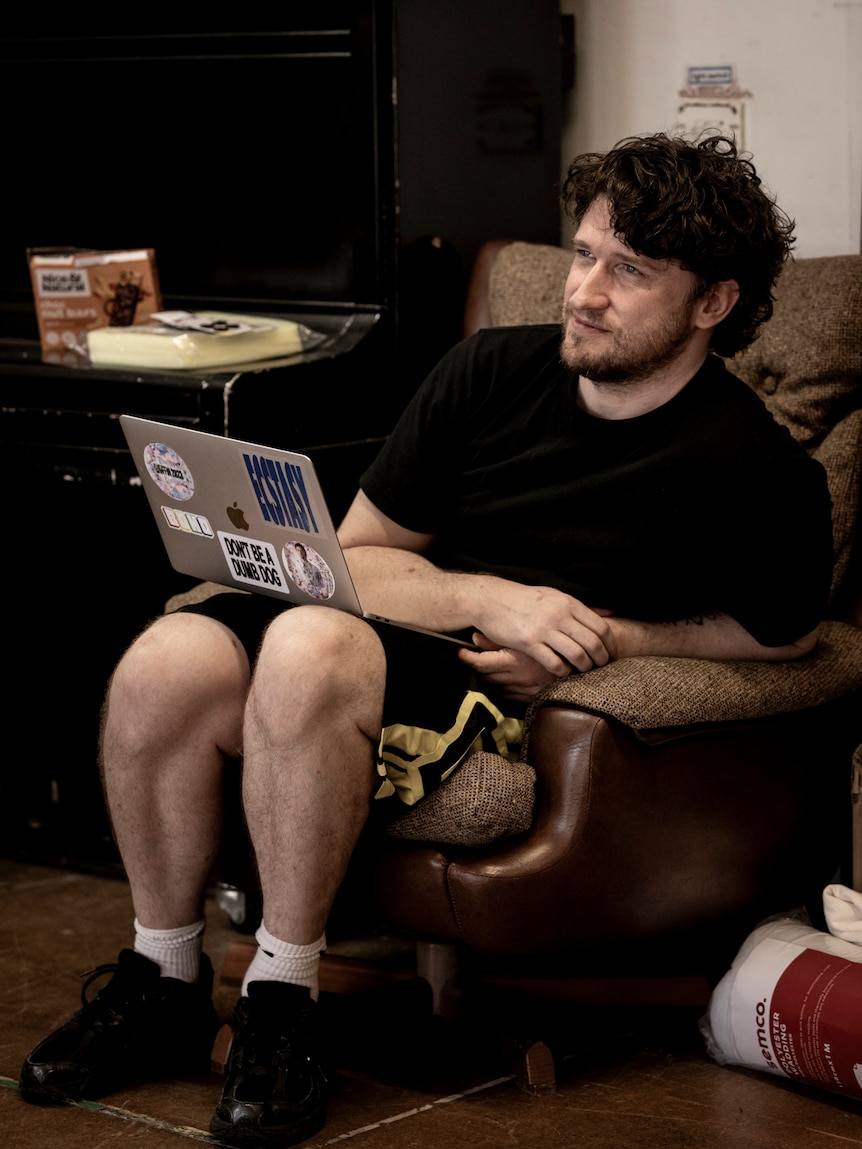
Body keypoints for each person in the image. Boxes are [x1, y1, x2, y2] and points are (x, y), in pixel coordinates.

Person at [20, 133, 833, 1147]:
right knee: (162, 661)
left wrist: (607, 640)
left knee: (311, 645)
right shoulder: (488, 370)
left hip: (469, 684)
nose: (584, 290)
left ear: (713, 302)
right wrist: (496, 597)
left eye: (628, 272)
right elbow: (361, 557)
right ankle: (161, 976)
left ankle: (282, 998)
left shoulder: (752, 468)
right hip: (421, 616)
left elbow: (786, 639)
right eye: (583, 254)